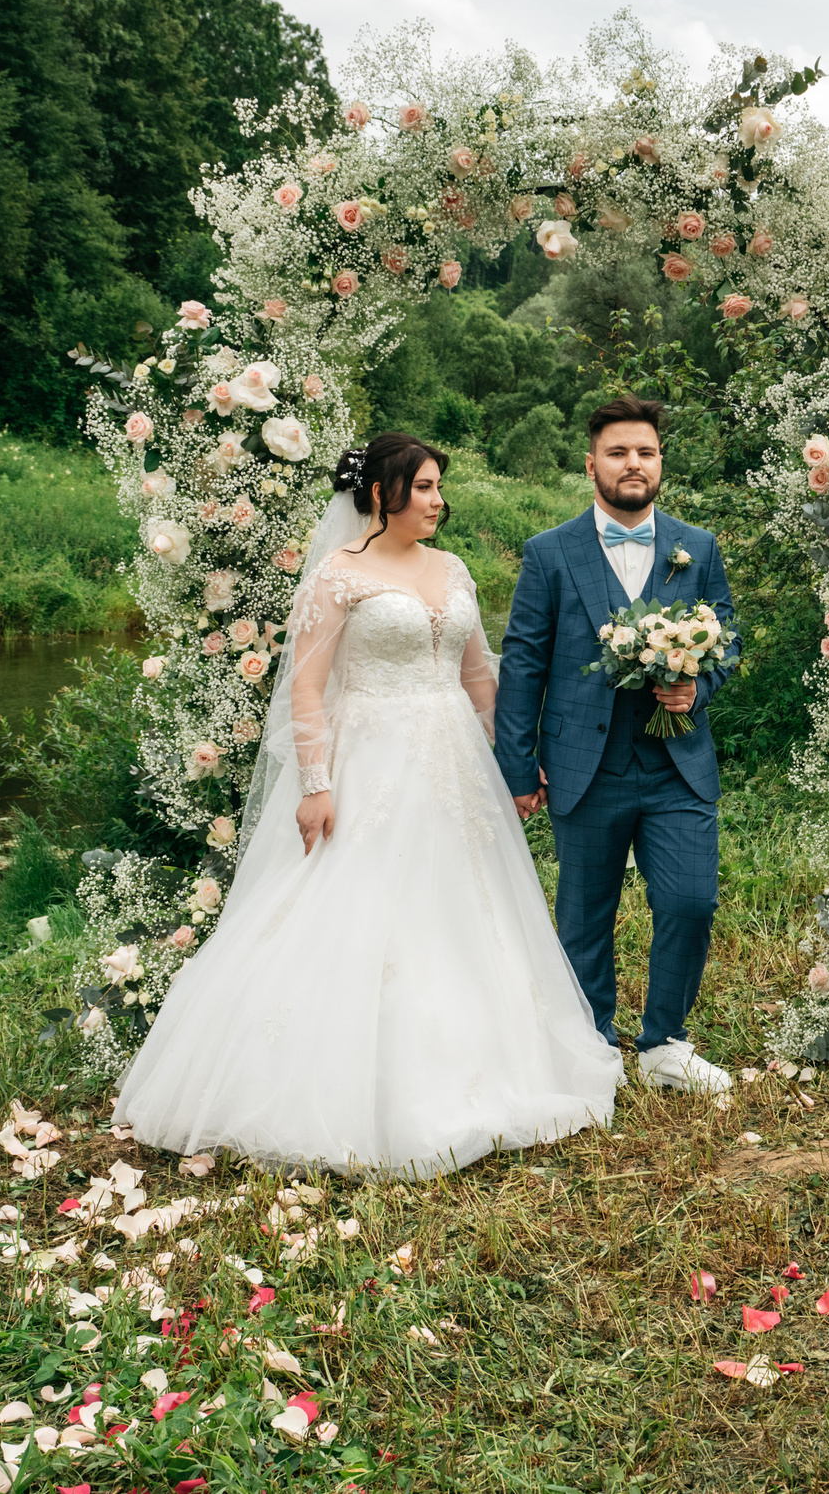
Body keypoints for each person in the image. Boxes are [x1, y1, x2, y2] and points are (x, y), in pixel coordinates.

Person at [112, 433, 622, 1176]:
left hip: (455, 767)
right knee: (355, 907)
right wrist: (316, 785)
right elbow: (307, 688)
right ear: (382, 493)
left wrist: (516, 763)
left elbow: (481, 677)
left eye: (439, 487)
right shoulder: (337, 575)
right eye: (422, 488)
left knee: (466, 910)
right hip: (369, 763)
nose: (437, 500)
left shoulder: (453, 569)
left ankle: (488, 1062)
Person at [494, 398, 740, 1093]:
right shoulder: (549, 551)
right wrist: (517, 765)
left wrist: (699, 687)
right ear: (591, 463)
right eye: (619, 452)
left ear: (660, 461)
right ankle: (591, 1047)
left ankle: (664, 1044)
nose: (634, 464)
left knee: (691, 902)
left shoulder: (699, 547)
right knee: (584, 918)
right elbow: (523, 662)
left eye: (647, 452)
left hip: (676, 765)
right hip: (583, 765)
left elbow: (729, 638)